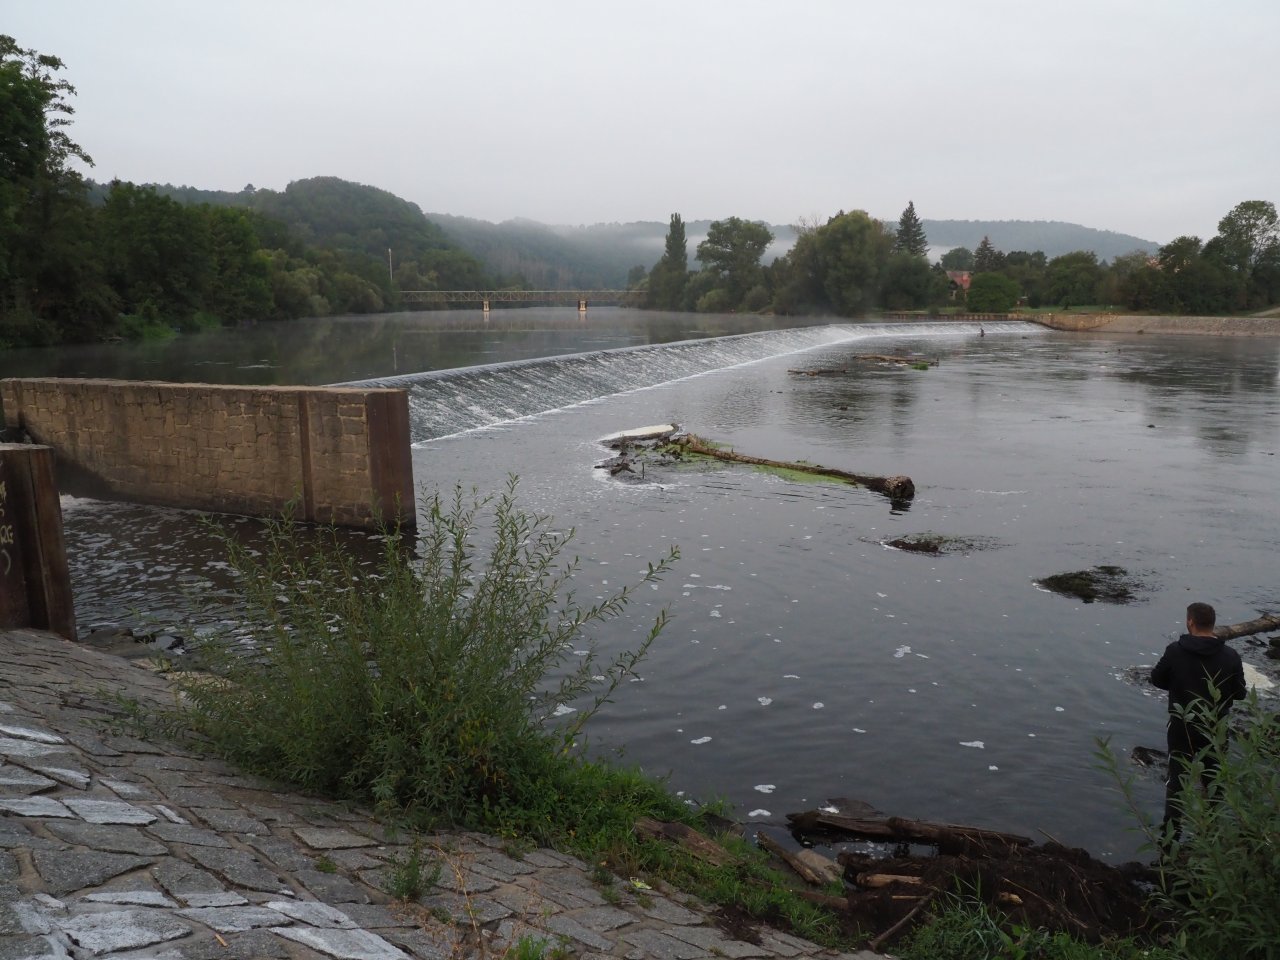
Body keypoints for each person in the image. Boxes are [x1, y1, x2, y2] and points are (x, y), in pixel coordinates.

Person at [1150, 601, 1247, 842]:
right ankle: (1210, 835)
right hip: (1216, 725)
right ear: (1213, 624)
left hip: (1181, 724)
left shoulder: (1175, 651)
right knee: (1213, 779)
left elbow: (1157, 679)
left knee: (1177, 779)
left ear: (1190, 622)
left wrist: (1178, 687)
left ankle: (1171, 838)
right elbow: (1240, 693)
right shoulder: (1231, 656)